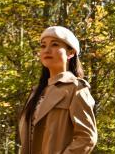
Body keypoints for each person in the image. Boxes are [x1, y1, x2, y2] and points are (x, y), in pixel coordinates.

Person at [18, 26, 98, 154]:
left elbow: (86, 138)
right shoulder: (35, 92)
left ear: (70, 53)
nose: (47, 50)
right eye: (43, 46)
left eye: (54, 44)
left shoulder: (76, 89)